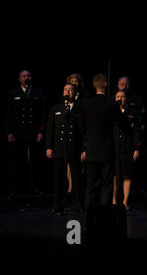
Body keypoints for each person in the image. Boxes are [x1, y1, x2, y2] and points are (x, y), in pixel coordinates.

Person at [80, 74, 123, 209]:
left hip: (91, 150)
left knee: (91, 184)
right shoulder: (111, 103)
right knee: (107, 184)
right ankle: (104, 217)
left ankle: (89, 216)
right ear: (105, 84)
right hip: (106, 150)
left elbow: (81, 127)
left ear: (94, 85)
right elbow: (123, 124)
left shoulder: (85, 103)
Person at [6, 70, 47, 201]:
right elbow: (8, 114)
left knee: (35, 161)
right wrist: (9, 132)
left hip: (33, 132)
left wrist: (41, 131)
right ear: (19, 79)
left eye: (28, 75)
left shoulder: (38, 92)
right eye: (24, 76)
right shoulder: (13, 93)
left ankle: (35, 187)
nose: (26, 78)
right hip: (18, 132)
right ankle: (13, 189)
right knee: (15, 161)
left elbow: (42, 113)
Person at [45, 83, 83, 213]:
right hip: (59, 147)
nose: (68, 92)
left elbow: (82, 131)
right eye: (65, 89)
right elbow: (50, 129)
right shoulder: (56, 108)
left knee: (76, 178)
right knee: (58, 178)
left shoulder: (79, 108)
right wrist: (48, 147)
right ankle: (58, 204)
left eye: (70, 90)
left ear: (75, 93)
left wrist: (84, 149)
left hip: (74, 148)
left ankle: (77, 203)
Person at [112, 90, 142, 210]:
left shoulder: (133, 112)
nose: (120, 98)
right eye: (118, 96)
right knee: (114, 175)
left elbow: (137, 132)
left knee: (127, 175)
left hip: (127, 147)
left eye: (122, 97)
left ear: (126, 99)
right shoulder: (112, 111)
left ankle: (125, 201)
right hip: (114, 147)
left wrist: (137, 148)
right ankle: (114, 201)